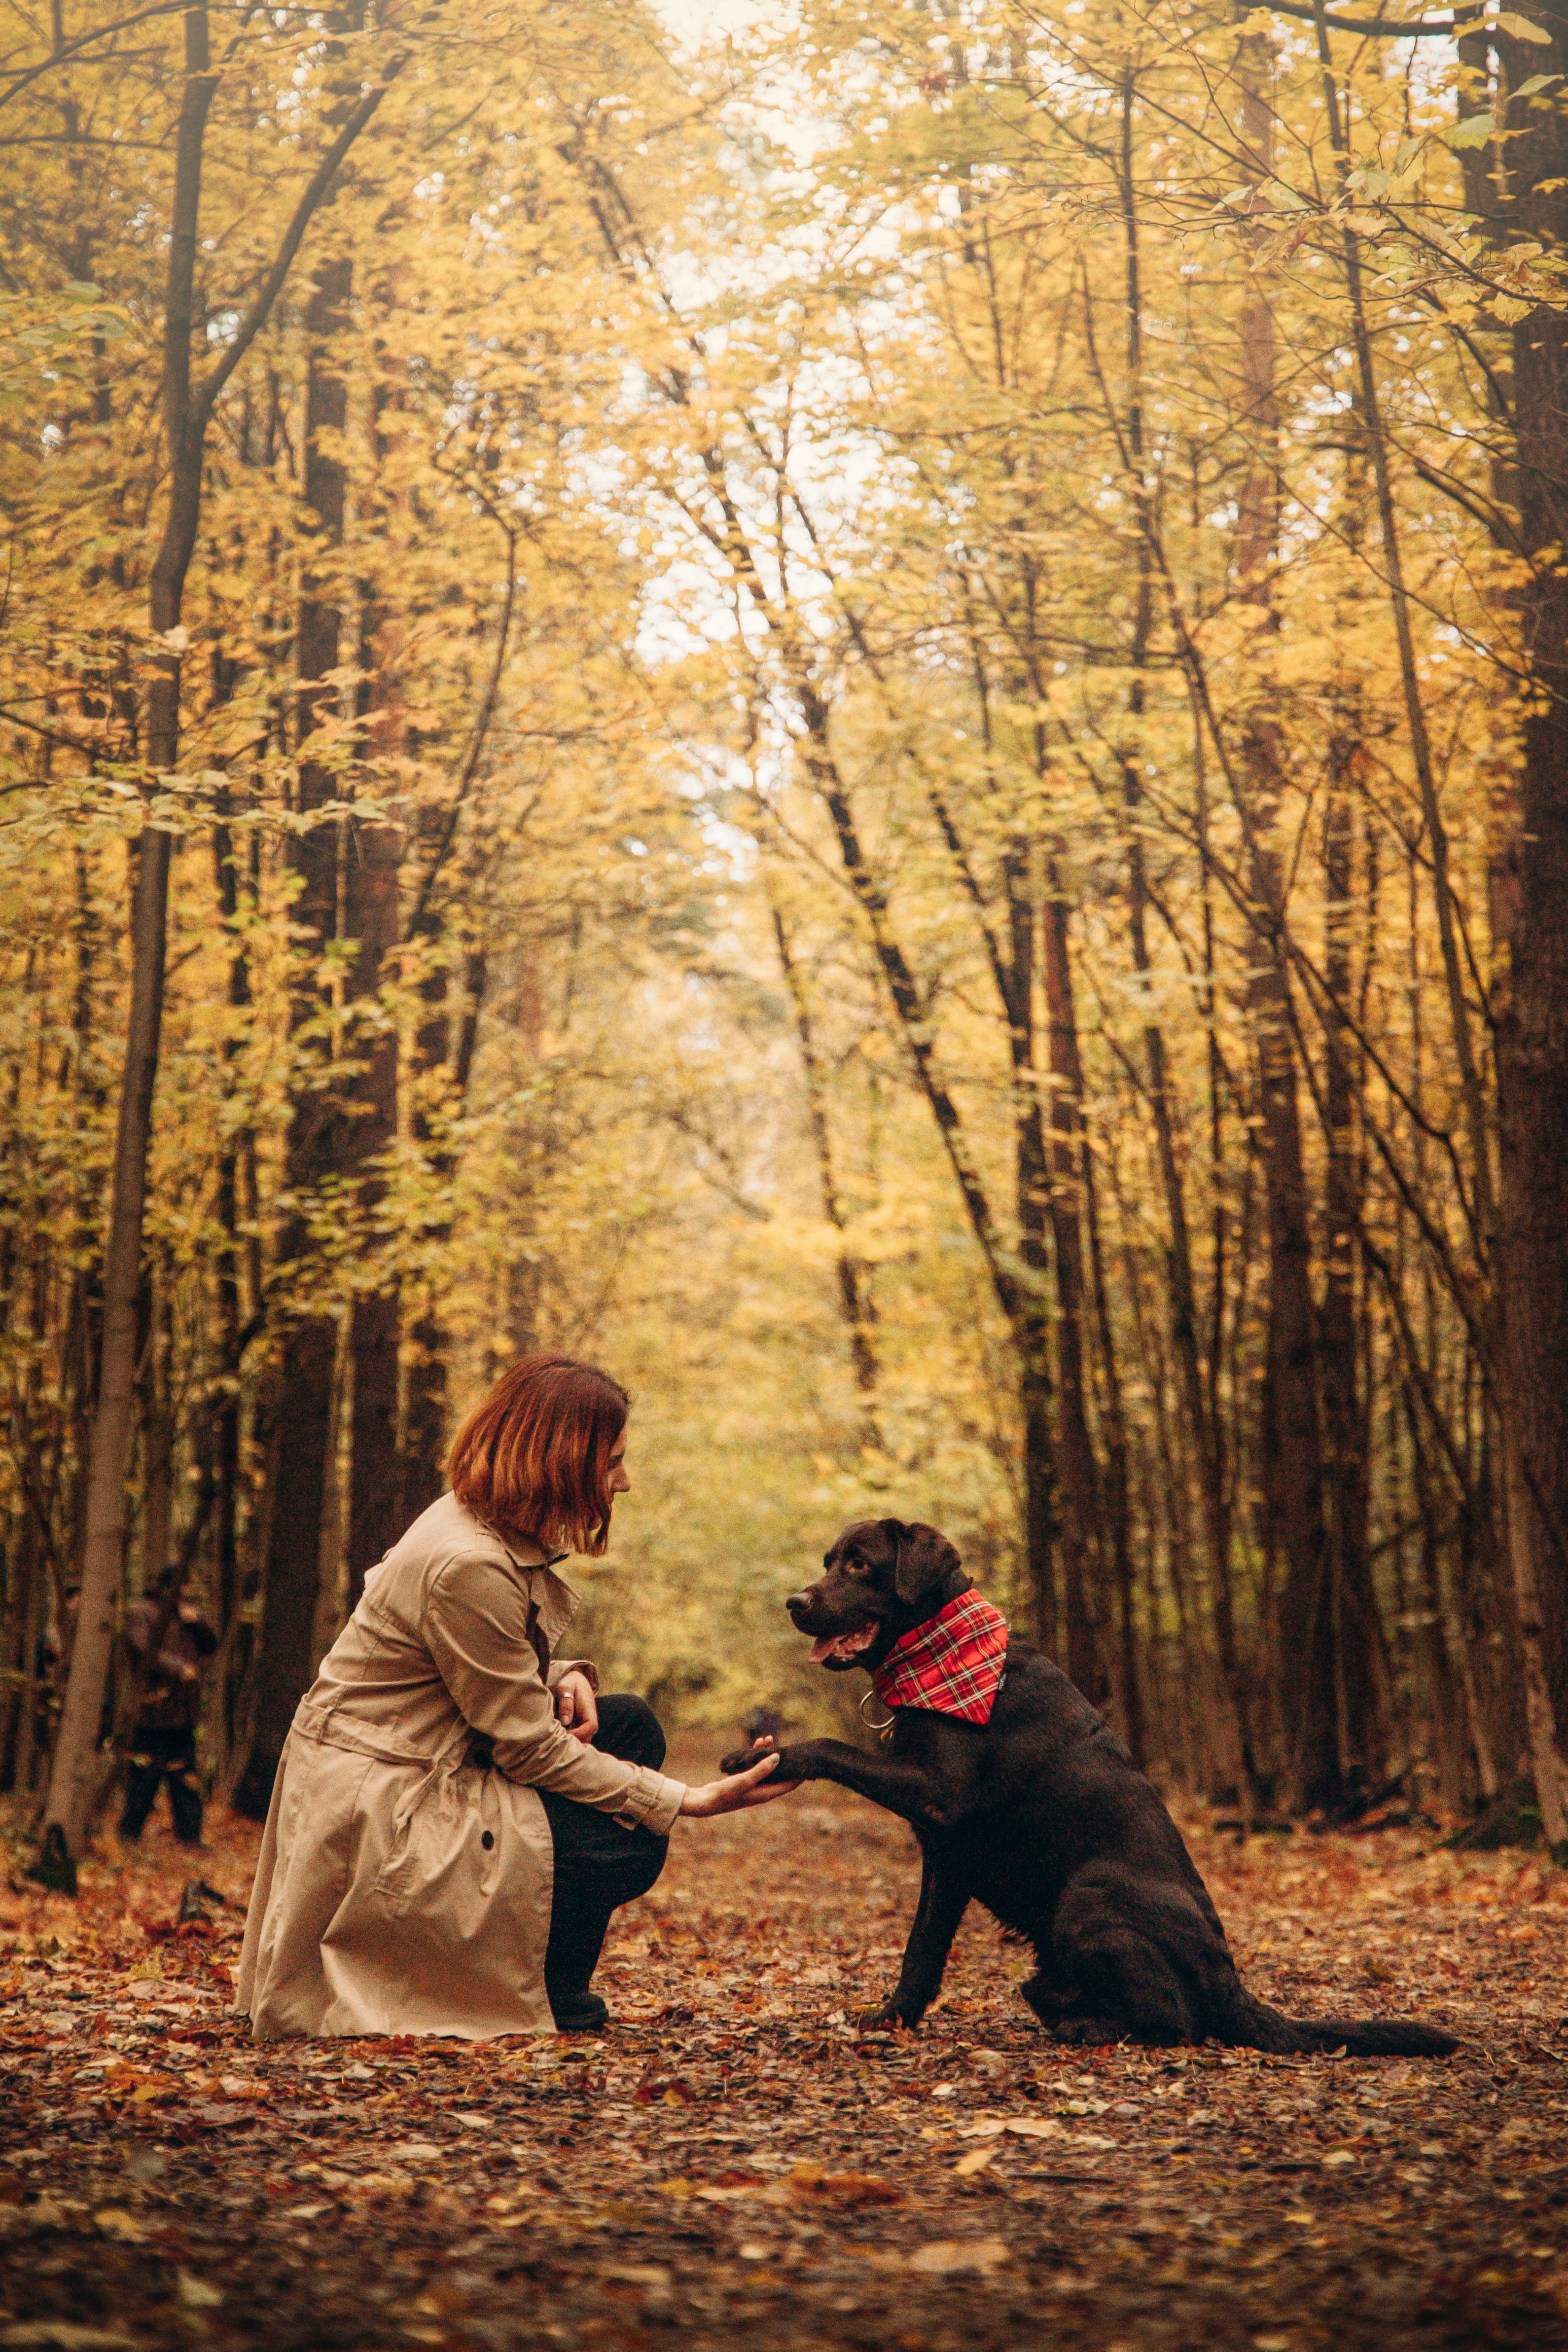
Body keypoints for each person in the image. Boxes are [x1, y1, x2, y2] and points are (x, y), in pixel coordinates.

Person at [236, 1352, 789, 2040]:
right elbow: (527, 1749)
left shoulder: (473, 1520)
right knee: (630, 1842)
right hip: (384, 1803)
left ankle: (554, 1985)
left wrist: (562, 1675)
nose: (624, 1481)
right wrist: (687, 1799)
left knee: (629, 1726)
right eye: (613, 1462)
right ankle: (542, 1991)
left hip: (413, 1763)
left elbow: (458, 1664)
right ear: (562, 1460)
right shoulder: (469, 1560)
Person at [119, 1570, 218, 1848]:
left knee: (185, 1777)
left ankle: (190, 1836)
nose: (185, 1590)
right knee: (144, 1777)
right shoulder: (143, 1612)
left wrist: (197, 1623)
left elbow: (211, 1646)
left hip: (183, 1713)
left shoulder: (185, 1615)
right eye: (181, 1585)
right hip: (152, 1711)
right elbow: (143, 1649)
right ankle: (129, 1835)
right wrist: (178, 1668)